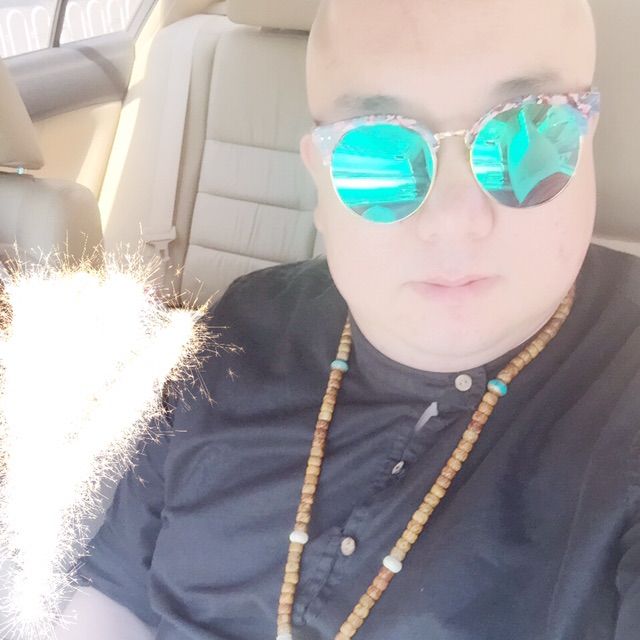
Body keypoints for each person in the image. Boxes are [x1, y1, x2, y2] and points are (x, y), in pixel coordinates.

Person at [56, 0, 640, 638]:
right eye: (379, 156)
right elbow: (110, 597)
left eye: (526, 138)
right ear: (319, 181)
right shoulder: (243, 326)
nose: (454, 221)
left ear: (587, 142)